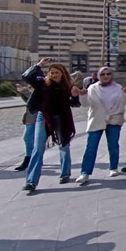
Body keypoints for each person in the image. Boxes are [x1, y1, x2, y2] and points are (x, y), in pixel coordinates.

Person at [22, 58, 82, 193]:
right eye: (51, 72)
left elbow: (75, 104)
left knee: (64, 145)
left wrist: (75, 96)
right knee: (38, 148)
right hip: (43, 117)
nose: (53, 75)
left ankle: (65, 173)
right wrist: (39, 65)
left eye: (56, 73)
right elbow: (26, 77)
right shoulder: (42, 83)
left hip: (62, 118)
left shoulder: (68, 86)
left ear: (62, 74)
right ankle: (31, 181)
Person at [76, 67, 126, 185]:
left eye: (108, 74)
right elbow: (85, 104)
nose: (106, 76)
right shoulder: (92, 88)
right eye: (103, 74)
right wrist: (82, 95)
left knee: (113, 145)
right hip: (97, 119)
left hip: (114, 118)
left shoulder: (118, 88)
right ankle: (85, 172)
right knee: (91, 147)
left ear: (112, 75)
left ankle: (113, 167)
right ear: (99, 76)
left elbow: (125, 102)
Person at [14, 83, 36, 171]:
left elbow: (33, 98)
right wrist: (22, 93)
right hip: (30, 118)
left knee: (28, 137)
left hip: (35, 118)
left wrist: (23, 91)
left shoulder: (39, 88)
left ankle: (29, 159)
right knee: (30, 138)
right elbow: (28, 101)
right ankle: (32, 158)